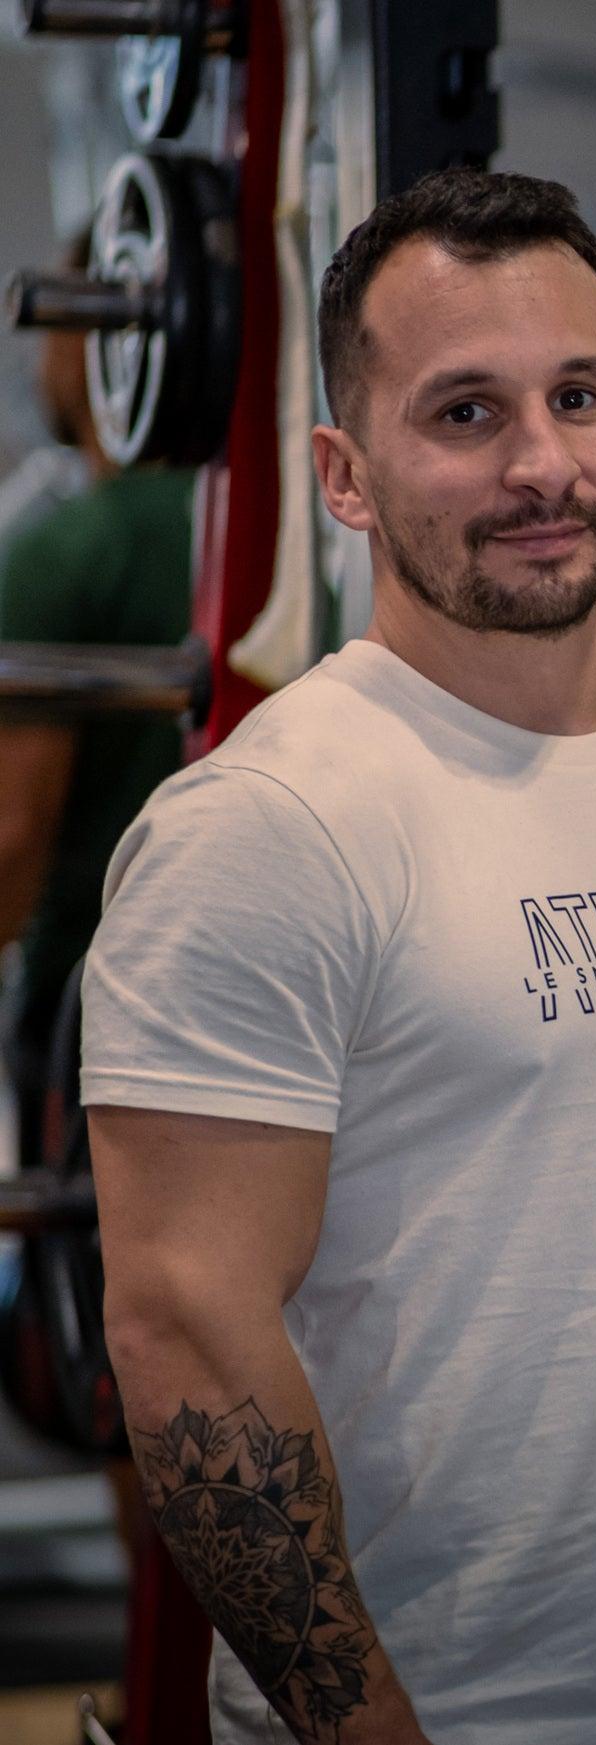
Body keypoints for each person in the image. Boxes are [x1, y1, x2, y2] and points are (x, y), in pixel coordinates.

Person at [84, 170, 596, 1744]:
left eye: (578, 397)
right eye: (463, 413)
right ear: (346, 474)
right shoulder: (267, 826)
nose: (541, 464)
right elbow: (183, 1325)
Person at [0, 234, 196, 1176]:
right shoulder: (285, 549)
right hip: (254, 1009)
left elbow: (9, 833)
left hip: (95, 1024)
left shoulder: (61, 551)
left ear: (94, 338)